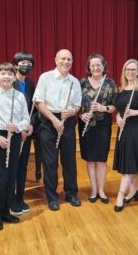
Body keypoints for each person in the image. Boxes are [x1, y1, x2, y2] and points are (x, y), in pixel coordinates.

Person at [33, 49, 82, 211]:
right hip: (49, 121)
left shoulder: (74, 81)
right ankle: (52, 197)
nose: (66, 62)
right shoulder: (45, 77)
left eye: (69, 59)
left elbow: (78, 105)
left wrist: (73, 112)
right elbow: (38, 102)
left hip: (67, 121)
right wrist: (54, 120)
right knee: (50, 162)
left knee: (69, 161)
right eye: (63, 59)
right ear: (55, 60)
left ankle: (71, 194)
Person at [0, 62, 30, 231]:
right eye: (3, 73)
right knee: (0, 179)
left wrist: (18, 127)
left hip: (15, 136)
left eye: (10, 74)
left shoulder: (19, 96)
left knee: (11, 177)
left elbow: (26, 118)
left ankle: (6, 211)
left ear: (14, 77)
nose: (6, 76)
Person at [113, 59, 138, 212]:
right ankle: (134, 191)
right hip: (123, 129)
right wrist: (118, 117)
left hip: (136, 130)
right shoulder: (121, 89)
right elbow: (118, 109)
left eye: (133, 70)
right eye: (127, 69)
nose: (130, 72)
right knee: (132, 163)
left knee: (128, 166)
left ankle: (120, 196)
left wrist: (135, 112)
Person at [78, 53, 117, 203]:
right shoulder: (81, 83)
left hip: (103, 126)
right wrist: (81, 115)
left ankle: (101, 190)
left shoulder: (110, 83)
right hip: (86, 126)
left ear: (103, 66)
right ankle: (93, 190)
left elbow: (114, 106)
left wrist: (103, 107)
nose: (95, 68)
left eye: (98, 65)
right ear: (89, 67)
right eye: (92, 65)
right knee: (90, 160)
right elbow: (76, 106)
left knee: (101, 159)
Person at [10, 51, 40, 216]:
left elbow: (33, 108)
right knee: (12, 167)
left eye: (29, 63)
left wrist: (30, 126)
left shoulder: (30, 84)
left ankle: (20, 197)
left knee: (22, 167)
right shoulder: (8, 81)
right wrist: (19, 128)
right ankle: (10, 199)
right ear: (15, 65)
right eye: (22, 62)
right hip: (13, 132)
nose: (25, 66)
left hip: (26, 132)